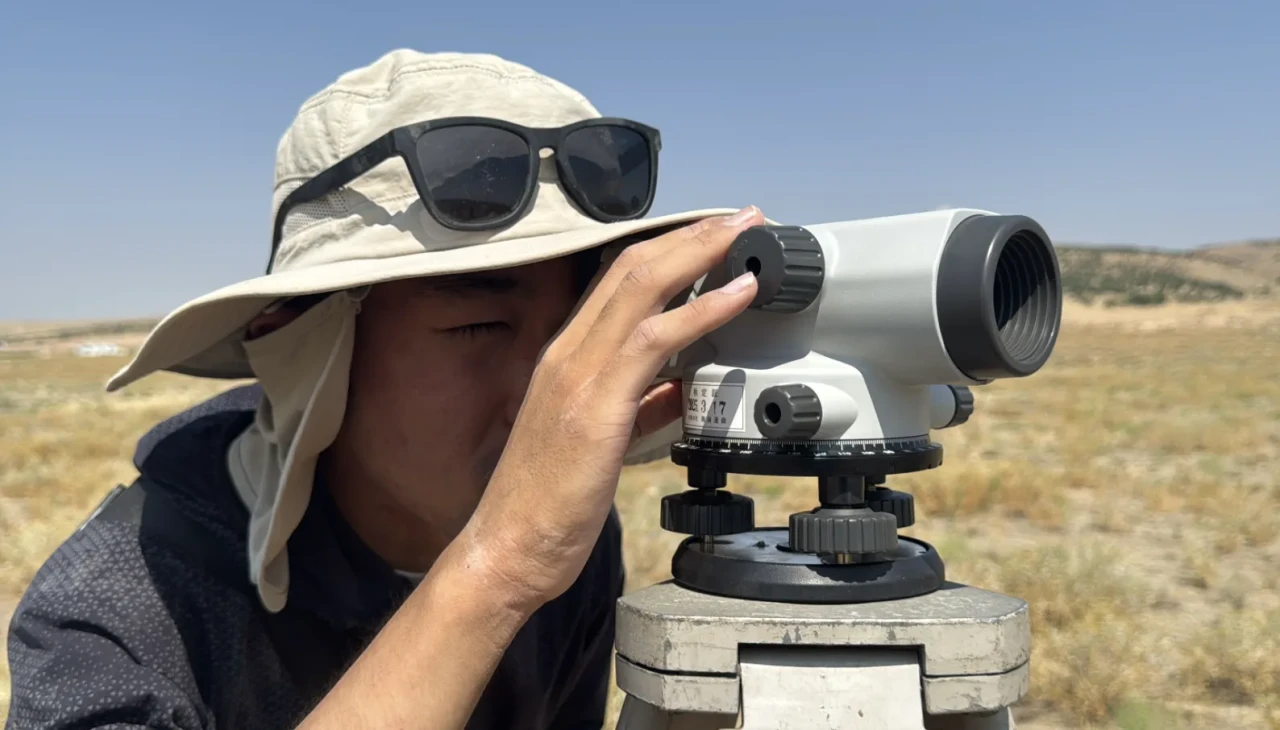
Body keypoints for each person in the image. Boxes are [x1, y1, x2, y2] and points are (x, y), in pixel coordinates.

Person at [4, 49, 764, 730]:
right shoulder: (120, 611)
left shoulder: (571, 540)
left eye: (580, 329)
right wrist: (498, 571)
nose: (555, 395)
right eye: (482, 325)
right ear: (299, 344)